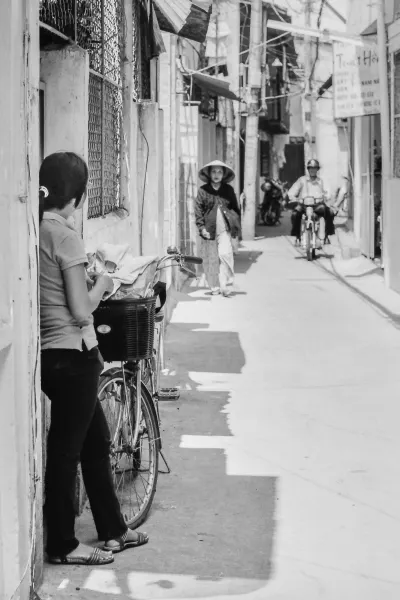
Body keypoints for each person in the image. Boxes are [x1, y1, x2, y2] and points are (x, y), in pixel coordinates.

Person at [39, 152, 149, 566]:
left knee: (95, 441)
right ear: (81, 197)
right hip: (72, 353)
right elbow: (82, 310)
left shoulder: (36, 229)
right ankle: (63, 545)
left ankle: (113, 529)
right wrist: (105, 280)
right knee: (67, 452)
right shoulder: (65, 236)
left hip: (53, 355)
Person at [195, 160, 241, 297]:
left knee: (225, 255)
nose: (216, 174)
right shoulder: (203, 190)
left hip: (224, 230)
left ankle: (224, 285)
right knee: (210, 258)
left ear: (223, 175)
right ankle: (214, 287)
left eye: (220, 172)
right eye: (214, 171)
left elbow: (235, 209)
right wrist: (201, 227)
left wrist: (235, 227)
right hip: (209, 231)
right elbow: (198, 210)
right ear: (209, 174)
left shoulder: (228, 190)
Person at [288, 158, 335, 244]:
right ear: (308, 169)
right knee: (295, 214)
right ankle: (298, 237)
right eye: (310, 168)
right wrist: (293, 198)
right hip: (303, 205)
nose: (312, 170)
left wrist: (326, 196)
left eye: (315, 168)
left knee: (329, 212)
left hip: (317, 205)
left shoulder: (321, 181)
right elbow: (291, 192)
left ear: (317, 169)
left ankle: (326, 236)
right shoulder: (301, 180)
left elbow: (328, 192)